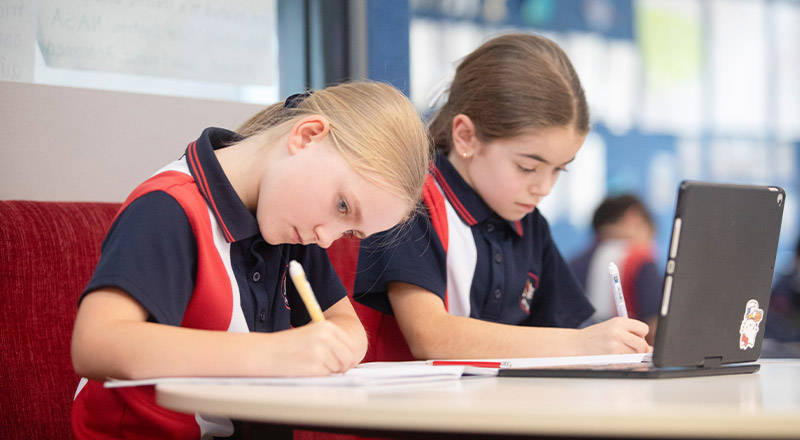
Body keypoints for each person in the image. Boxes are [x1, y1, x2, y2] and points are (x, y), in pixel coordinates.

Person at [70, 81, 431, 439]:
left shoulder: (292, 223)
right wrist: (275, 353)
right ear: (306, 136)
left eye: (350, 233)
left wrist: (343, 344)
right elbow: (95, 343)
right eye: (343, 206)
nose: (327, 238)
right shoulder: (169, 208)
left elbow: (345, 324)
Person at [351, 33, 650, 360]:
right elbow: (431, 336)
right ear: (466, 137)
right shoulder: (411, 202)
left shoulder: (529, 223)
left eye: (558, 170)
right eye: (526, 167)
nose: (544, 188)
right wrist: (581, 344)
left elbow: (567, 328)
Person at [570, 194, 662, 344]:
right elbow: (656, 327)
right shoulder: (640, 260)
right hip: (630, 359)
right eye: (651, 236)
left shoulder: (571, 265)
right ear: (633, 218)